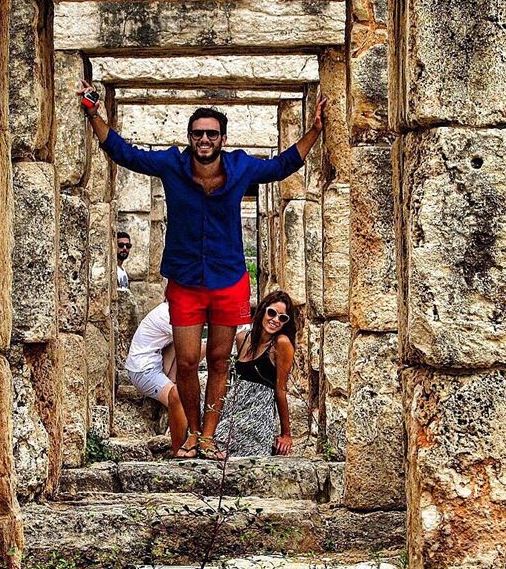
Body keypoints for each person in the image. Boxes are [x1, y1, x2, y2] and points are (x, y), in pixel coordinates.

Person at [77, 80, 325, 459]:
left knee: (220, 360)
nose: (204, 139)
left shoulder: (240, 167)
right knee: (189, 360)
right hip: (186, 279)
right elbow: (124, 153)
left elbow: (282, 166)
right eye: (198, 133)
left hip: (229, 278)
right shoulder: (172, 165)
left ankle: (208, 437)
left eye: (211, 133)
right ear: (190, 137)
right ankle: (191, 433)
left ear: (222, 138)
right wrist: (95, 113)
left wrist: (314, 132)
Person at [215, 290, 296, 457]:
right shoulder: (242, 338)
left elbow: (281, 390)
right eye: (272, 313)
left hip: (258, 412)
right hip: (234, 405)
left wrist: (286, 434)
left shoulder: (281, 344)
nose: (275, 320)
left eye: (282, 318)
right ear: (263, 310)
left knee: (222, 440)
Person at [125, 301, 205, 454]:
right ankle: (181, 447)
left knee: (181, 342)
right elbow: (195, 350)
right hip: (142, 371)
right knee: (180, 398)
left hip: (155, 365)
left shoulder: (173, 310)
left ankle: (173, 381)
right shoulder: (168, 314)